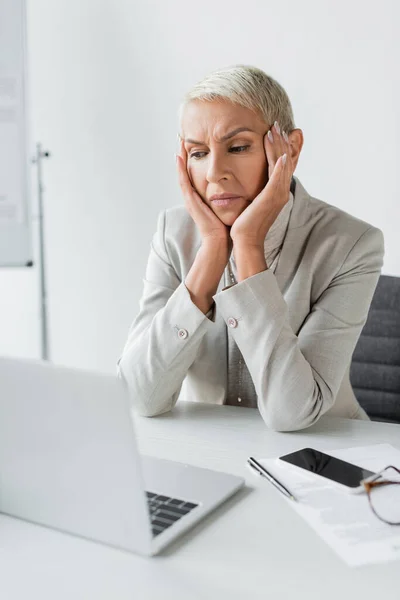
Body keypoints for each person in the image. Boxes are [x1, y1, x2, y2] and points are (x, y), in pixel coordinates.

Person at [117, 65, 384, 431]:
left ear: (290, 148)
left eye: (238, 147)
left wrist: (247, 246)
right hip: (213, 451)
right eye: (197, 153)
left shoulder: (352, 244)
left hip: (325, 455)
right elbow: (138, 398)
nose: (214, 173)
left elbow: (292, 414)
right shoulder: (172, 234)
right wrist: (212, 250)